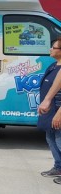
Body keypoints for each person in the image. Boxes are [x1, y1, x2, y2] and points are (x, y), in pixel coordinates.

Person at [37, 37, 61, 184]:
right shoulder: (53, 67)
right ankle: (58, 167)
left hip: (58, 110)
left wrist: (58, 113)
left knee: (59, 140)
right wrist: (46, 102)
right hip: (50, 110)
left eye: (54, 47)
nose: (50, 49)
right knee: (50, 138)